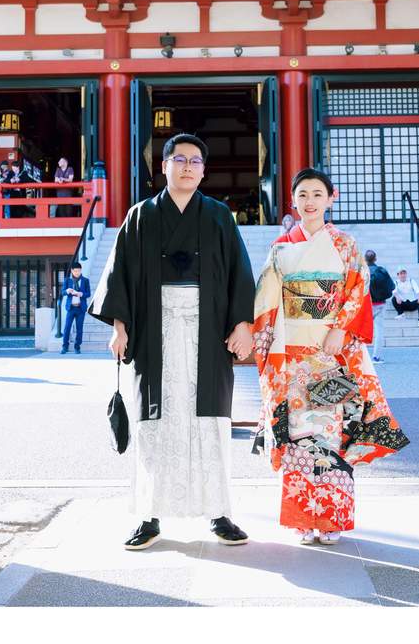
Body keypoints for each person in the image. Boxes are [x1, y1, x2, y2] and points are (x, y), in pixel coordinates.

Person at [90, 133, 255, 550]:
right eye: (178, 159)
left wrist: (242, 324)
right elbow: (120, 275)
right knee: (155, 424)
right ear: (163, 166)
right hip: (154, 330)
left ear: (203, 170)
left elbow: (239, 271)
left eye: (195, 161)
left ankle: (219, 513)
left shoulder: (219, 216)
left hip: (208, 330)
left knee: (210, 423)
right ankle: (149, 515)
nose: (187, 167)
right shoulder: (140, 216)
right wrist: (119, 326)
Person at [251, 168, 409, 546]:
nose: (310, 201)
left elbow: (358, 287)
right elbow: (266, 302)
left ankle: (333, 517)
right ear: (293, 201)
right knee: (299, 435)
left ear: (330, 198)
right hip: (291, 353)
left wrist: (341, 328)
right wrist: (268, 344)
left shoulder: (346, 245)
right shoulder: (280, 247)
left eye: (317, 194)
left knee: (333, 432)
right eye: (302, 194)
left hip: (331, 349)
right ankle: (304, 519)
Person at [364, 249, 395, 362]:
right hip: (381, 304)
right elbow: (392, 287)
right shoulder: (382, 271)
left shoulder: (363, 271)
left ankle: (361, 355)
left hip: (367, 305)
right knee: (379, 331)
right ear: (375, 259)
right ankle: (376, 356)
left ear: (365, 259)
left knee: (361, 330)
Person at [60, 262, 91, 354]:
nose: (77, 272)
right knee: (67, 327)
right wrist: (67, 291)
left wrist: (82, 294)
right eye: (75, 271)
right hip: (71, 308)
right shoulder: (67, 280)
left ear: (81, 270)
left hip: (81, 308)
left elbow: (88, 293)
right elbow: (62, 292)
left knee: (79, 328)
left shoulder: (85, 280)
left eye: (79, 271)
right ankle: (65, 346)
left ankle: (77, 347)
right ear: (72, 271)